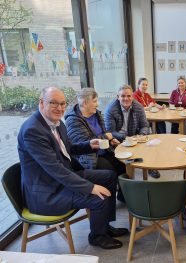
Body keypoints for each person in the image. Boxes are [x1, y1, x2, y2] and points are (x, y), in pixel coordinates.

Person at [17, 87, 128, 250]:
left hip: (62, 180)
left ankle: (104, 225)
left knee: (109, 176)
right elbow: (55, 170)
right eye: (54, 103)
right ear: (41, 103)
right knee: (99, 196)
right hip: (48, 192)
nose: (60, 108)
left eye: (63, 103)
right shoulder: (32, 130)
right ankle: (97, 236)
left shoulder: (57, 123)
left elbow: (68, 149)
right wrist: (90, 187)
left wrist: (89, 145)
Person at [64, 88, 126, 201]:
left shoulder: (96, 114)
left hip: (104, 151)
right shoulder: (73, 120)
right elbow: (85, 145)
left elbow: (103, 134)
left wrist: (110, 141)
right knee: (110, 171)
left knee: (124, 164)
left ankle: (123, 196)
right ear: (84, 103)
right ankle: (107, 202)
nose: (97, 104)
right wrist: (107, 137)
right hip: (89, 158)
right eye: (94, 101)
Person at [104, 84, 160, 179]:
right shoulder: (110, 109)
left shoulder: (138, 107)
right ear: (118, 97)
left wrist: (141, 135)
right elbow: (110, 131)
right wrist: (126, 138)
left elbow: (145, 125)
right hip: (118, 139)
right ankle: (126, 172)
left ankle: (150, 167)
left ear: (132, 96)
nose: (126, 99)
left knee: (149, 141)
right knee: (121, 161)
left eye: (129, 96)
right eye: (123, 96)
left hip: (135, 136)